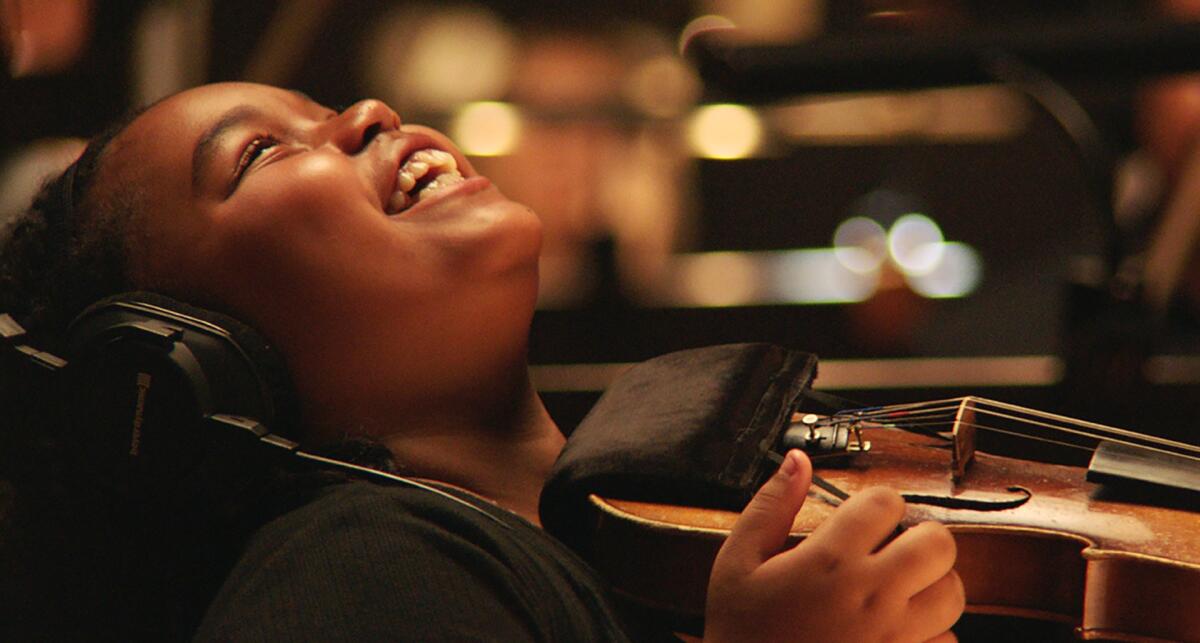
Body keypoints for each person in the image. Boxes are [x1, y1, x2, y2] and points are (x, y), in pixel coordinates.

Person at [0, 82, 964, 641]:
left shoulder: (598, 545)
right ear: (193, 366)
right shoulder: (362, 579)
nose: (367, 112)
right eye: (261, 154)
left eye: (323, 106)